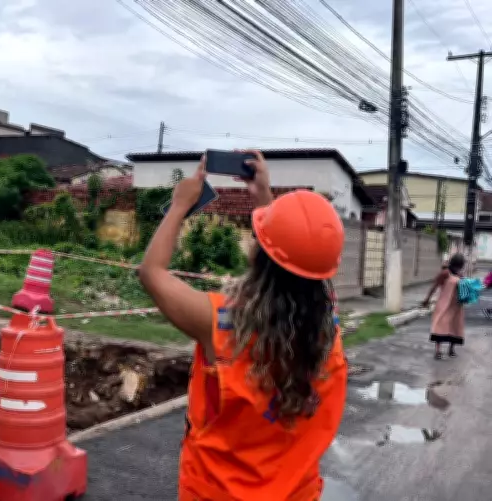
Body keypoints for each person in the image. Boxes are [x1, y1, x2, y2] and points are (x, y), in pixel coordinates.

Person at [139, 151, 347, 501]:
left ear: (258, 253)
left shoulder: (220, 324)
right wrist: (265, 199)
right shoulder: (329, 333)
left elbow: (152, 273)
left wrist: (180, 204)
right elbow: (300, 258)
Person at [422, 253, 466, 359]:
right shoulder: (445, 273)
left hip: (456, 306)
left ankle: (451, 349)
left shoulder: (460, 275)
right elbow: (435, 285)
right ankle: (438, 351)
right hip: (444, 304)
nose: (459, 268)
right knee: (440, 325)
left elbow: (464, 290)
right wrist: (427, 299)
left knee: (454, 326)